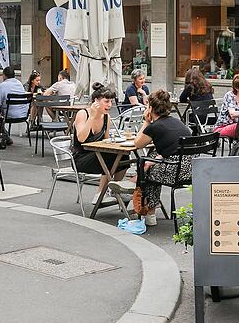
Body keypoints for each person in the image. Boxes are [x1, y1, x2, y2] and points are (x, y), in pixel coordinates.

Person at [125, 90, 192, 226]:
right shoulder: (177, 122)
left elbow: (137, 143)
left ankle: (148, 212)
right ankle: (135, 184)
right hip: (191, 170)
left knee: (147, 171)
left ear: (150, 108)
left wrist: (146, 121)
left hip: (174, 173)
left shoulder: (154, 127)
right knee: (152, 159)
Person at [72, 83, 129, 205]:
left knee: (124, 156)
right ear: (96, 101)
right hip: (80, 159)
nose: (110, 105)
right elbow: (81, 138)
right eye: (106, 101)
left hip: (97, 155)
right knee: (107, 156)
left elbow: (106, 141)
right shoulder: (83, 114)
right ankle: (100, 193)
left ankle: (114, 190)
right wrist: (92, 117)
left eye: (111, 102)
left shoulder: (106, 117)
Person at [0, 67, 29, 145]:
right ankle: (6, 136)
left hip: (9, 115)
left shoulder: (2, 85)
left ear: (4, 75)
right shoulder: (19, 84)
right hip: (23, 115)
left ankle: (2, 137)